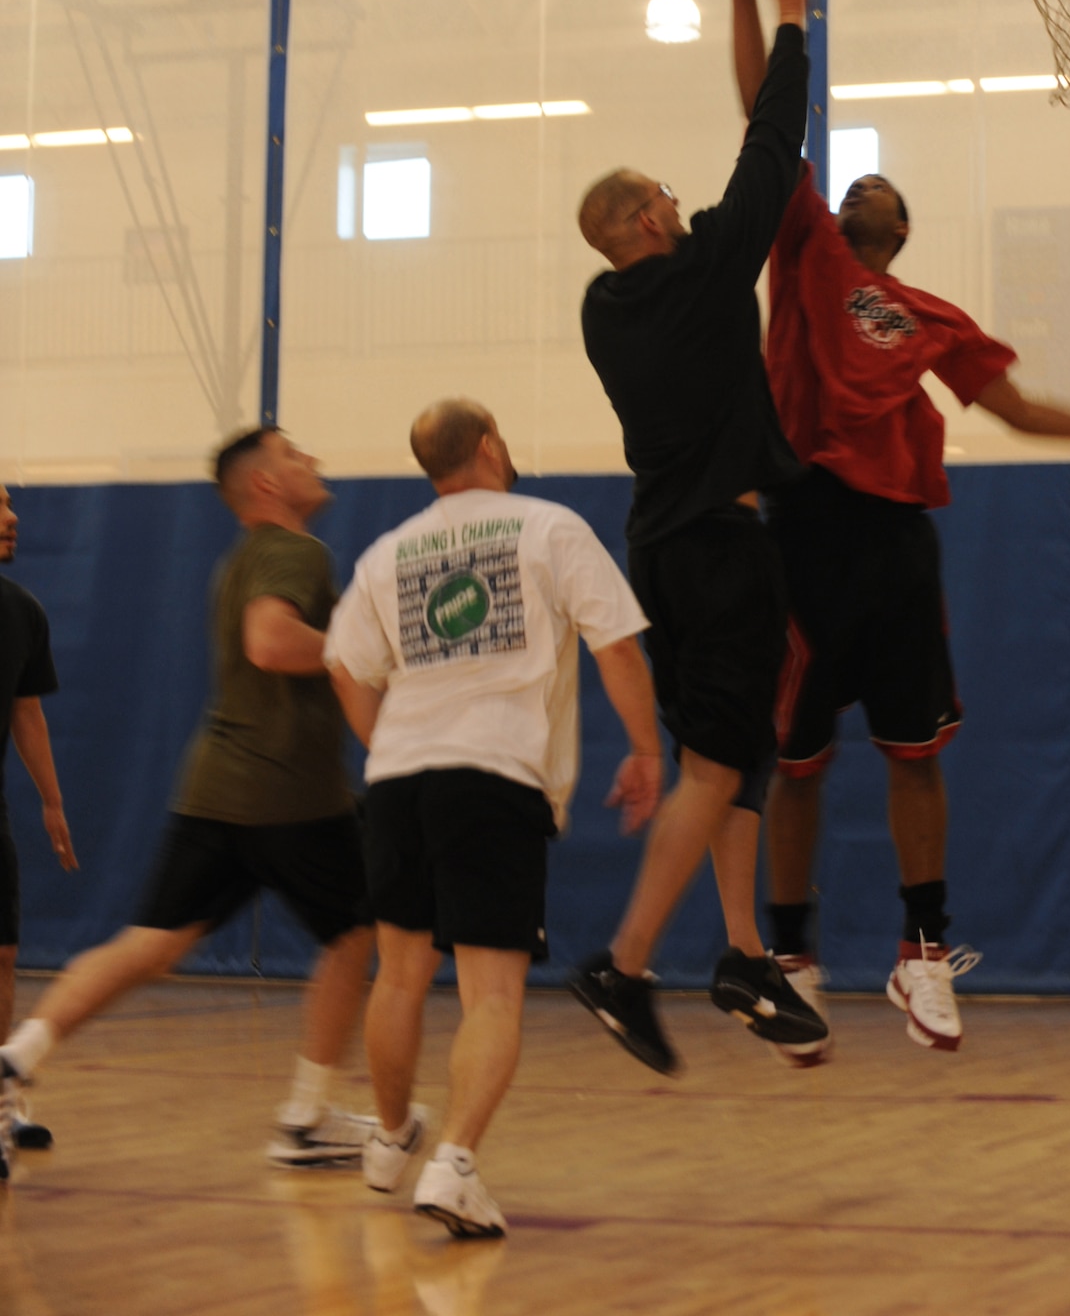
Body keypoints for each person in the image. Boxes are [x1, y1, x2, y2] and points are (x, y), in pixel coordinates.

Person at [727, 0, 1070, 1060]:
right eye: (856, 182)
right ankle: (794, 956)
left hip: (897, 541)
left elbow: (1024, 410)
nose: (869, 189)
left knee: (912, 751)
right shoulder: (801, 251)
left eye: (883, 190)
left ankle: (921, 949)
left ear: (900, 228)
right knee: (796, 760)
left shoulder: (933, 317)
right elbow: (763, 107)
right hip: (804, 524)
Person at [570, 0, 827, 1075]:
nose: (681, 202)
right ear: (643, 217)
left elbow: (744, 166)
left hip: (656, 552)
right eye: (663, 196)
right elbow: (772, 137)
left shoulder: (602, 305)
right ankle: (622, 965)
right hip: (719, 550)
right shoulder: (704, 266)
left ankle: (739, 952)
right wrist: (787, 8)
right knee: (716, 769)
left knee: (729, 754)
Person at [324, 398, 662, 1237]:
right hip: (494, 777)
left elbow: (342, 663)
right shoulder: (547, 526)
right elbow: (615, 644)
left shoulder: (386, 552)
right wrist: (647, 750)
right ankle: (457, 1163)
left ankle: (393, 1138)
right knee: (491, 995)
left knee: (398, 975)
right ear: (488, 447)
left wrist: (391, 743)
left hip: (400, 778)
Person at [0, 429, 376, 1164]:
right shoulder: (295, 552)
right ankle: (306, 1117)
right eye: (296, 455)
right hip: (287, 794)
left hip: (215, 786)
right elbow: (270, 643)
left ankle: (18, 1053)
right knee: (357, 933)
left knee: (152, 944)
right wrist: (359, 646)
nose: (314, 462)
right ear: (266, 485)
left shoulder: (243, 559)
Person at [0, 484, 78, 1175]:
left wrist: (52, 802)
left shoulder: (21, 612)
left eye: (10, 503)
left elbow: (26, 712)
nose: (11, 517)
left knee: (0, 955)